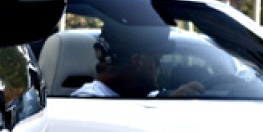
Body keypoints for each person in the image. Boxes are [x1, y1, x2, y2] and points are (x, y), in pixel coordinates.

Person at [72, 21, 200, 98]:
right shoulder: (86, 100)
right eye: (157, 57)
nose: (159, 64)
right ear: (138, 62)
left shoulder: (143, 96)